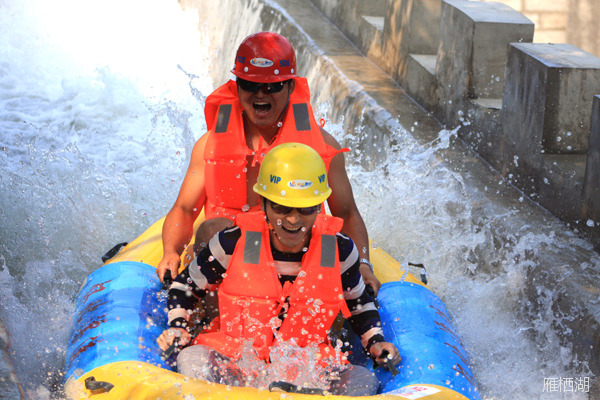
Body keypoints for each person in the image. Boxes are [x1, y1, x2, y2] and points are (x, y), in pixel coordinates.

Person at [157, 143, 400, 396]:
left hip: (307, 366)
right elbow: (185, 285)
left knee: (364, 379)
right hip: (237, 360)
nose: (293, 219)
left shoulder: (340, 250)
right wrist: (178, 326)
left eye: (306, 209)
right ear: (263, 203)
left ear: (319, 206)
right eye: (282, 208)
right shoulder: (232, 242)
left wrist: (375, 342)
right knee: (192, 359)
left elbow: (359, 305)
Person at [156, 31, 380, 293]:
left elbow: (346, 213)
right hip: (226, 256)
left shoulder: (323, 147)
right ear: (236, 86)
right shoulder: (209, 145)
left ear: (290, 87)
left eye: (272, 87)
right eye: (249, 85)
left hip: (297, 251)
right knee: (210, 229)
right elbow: (184, 209)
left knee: (331, 247)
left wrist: (363, 264)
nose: (260, 94)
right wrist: (171, 251)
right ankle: (210, 321)